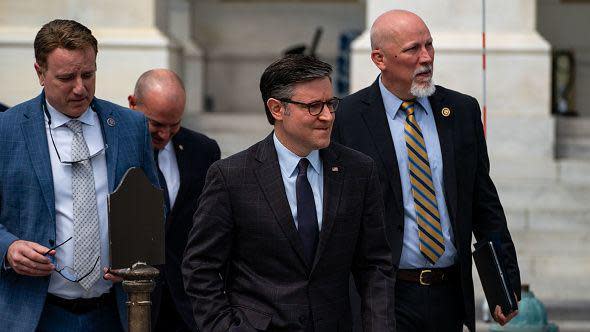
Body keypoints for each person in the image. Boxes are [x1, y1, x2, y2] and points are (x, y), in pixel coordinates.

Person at [332, 10, 521, 332]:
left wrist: (504, 283)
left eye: (430, 45)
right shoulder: (347, 118)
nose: (426, 58)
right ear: (380, 59)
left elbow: (483, 203)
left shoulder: (461, 111)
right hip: (383, 296)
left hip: (449, 294)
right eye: (412, 49)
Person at [182, 55, 395, 331]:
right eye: (314, 106)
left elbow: (375, 265)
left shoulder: (358, 171)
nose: (328, 116)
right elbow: (200, 268)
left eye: (330, 104)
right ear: (277, 109)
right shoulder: (231, 176)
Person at [0, 19, 159, 331]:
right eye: (66, 77)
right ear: (40, 73)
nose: (80, 87)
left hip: (113, 312)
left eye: (88, 74)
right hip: (34, 313)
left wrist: (136, 252)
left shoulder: (130, 127)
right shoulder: (7, 130)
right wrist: (7, 248)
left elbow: (153, 209)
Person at [128, 69, 220, 332]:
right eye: (156, 124)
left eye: (174, 124)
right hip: (132, 298)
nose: (165, 134)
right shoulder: (114, 149)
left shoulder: (203, 150)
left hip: (186, 304)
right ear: (133, 103)